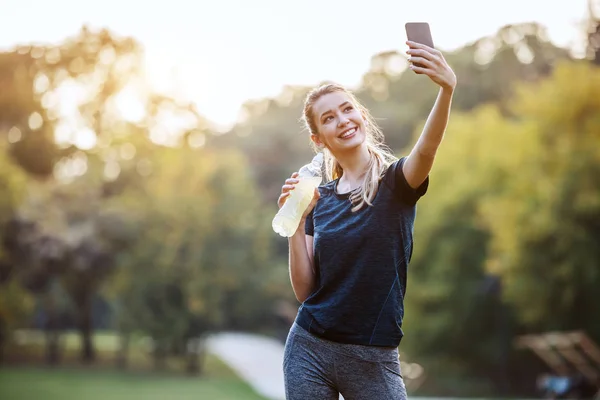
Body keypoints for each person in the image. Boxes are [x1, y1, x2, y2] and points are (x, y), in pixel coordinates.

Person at [277, 39, 456, 400]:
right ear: (319, 139)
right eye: (329, 118)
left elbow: (427, 147)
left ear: (360, 114)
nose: (342, 120)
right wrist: (296, 222)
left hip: (374, 357)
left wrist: (447, 89)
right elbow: (305, 291)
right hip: (309, 348)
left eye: (347, 110)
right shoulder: (319, 199)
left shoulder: (397, 183)